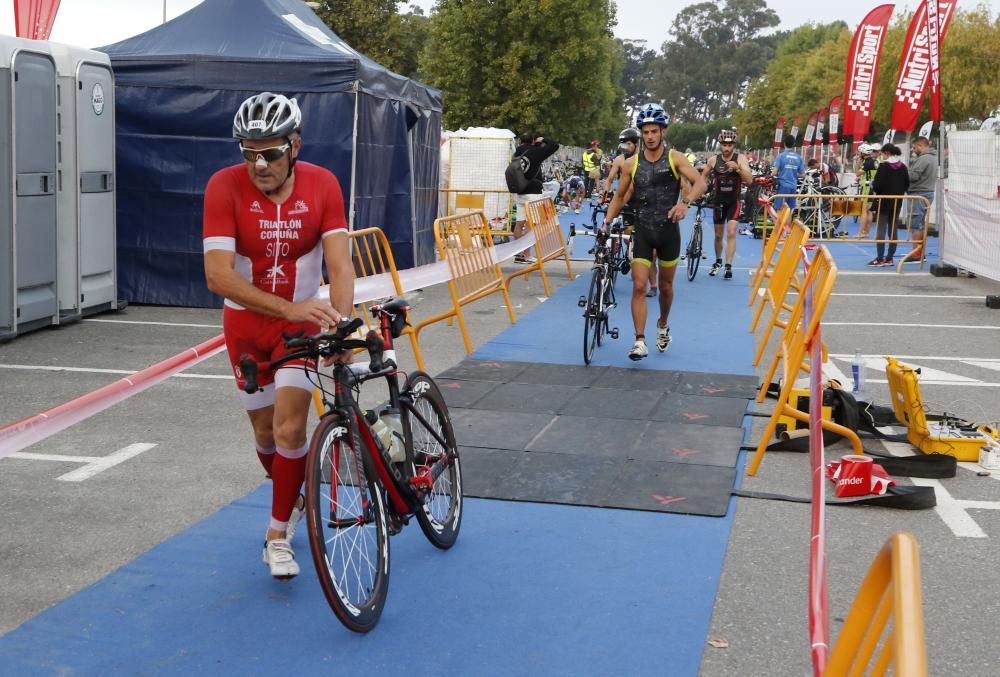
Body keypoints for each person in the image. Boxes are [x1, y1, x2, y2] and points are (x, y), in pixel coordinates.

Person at [203, 92, 354, 579]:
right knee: (265, 435)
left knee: (292, 428)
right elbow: (218, 276)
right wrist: (288, 306)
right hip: (245, 326)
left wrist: (342, 323)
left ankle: (276, 534)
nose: (259, 164)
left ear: (295, 146)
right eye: (248, 152)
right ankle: (296, 494)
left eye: (269, 152)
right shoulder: (223, 187)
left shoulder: (323, 184)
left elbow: (340, 263)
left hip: (300, 326)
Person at [603, 103, 707, 361]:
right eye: (645, 132)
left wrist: (685, 204)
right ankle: (639, 341)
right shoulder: (631, 164)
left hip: (668, 232)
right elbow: (619, 195)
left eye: (654, 131)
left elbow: (700, 182)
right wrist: (606, 221)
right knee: (639, 286)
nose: (649, 136)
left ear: (662, 132)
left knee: (666, 287)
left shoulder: (675, 158)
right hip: (642, 230)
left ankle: (662, 324)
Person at [702, 129, 751, 280]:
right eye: (724, 144)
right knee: (718, 235)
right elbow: (702, 178)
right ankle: (718, 261)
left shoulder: (740, 158)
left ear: (734, 146)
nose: (727, 148)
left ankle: (728, 266)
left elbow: (749, 180)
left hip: (733, 201)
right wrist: (700, 192)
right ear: (720, 145)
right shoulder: (713, 160)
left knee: (731, 231)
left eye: (730, 145)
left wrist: (738, 168)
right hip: (718, 201)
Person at [512, 133, 561, 264]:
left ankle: (518, 254)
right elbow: (555, 145)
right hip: (533, 192)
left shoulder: (516, 153)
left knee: (519, 223)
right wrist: (543, 140)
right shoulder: (535, 152)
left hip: (520, 192)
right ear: (533, 141)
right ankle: (527, 255)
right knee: (531, 224)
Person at [868, 143, 909, 267]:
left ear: (886, 153)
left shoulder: (883, 166)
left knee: (881, 228)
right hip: (897, 201)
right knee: (893, 229)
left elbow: (878, 185)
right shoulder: (903, 167)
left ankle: (880, 258)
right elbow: (906, 185)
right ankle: (890, 257)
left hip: (883, 201)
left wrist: (872, 185)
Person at [904, 136, 937, 262]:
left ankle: (916, 254)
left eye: (914, 147)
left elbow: (914, 176)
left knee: (916, 224)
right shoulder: (933, 157)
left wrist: (904, 171)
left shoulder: (923, 159)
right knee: (921, 224)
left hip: (919, 193)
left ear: (920, 146)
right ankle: (919, 252)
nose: (913, 150)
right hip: (926, 192)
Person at [772, 135, 805, 212]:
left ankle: (779, 224)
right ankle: (788, 224)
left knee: (780, 210)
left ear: (784, 144)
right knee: (789, 211)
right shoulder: (798, 157)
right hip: (793, 186)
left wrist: (769, 175)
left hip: (782, 186)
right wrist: (795, 175)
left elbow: (774, 172)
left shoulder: (781, 156)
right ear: (793, 144)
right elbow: (803, 174)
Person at [855, 143, 879, 238]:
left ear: (863, 153)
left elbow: (857, 173)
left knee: (864, 211)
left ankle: (861, 233)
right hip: (873, 187)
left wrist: (858, 163)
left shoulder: (866, 163)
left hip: (866, 187)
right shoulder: (875, 161)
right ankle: (866, 232)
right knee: (869, 211)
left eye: (860, 152)